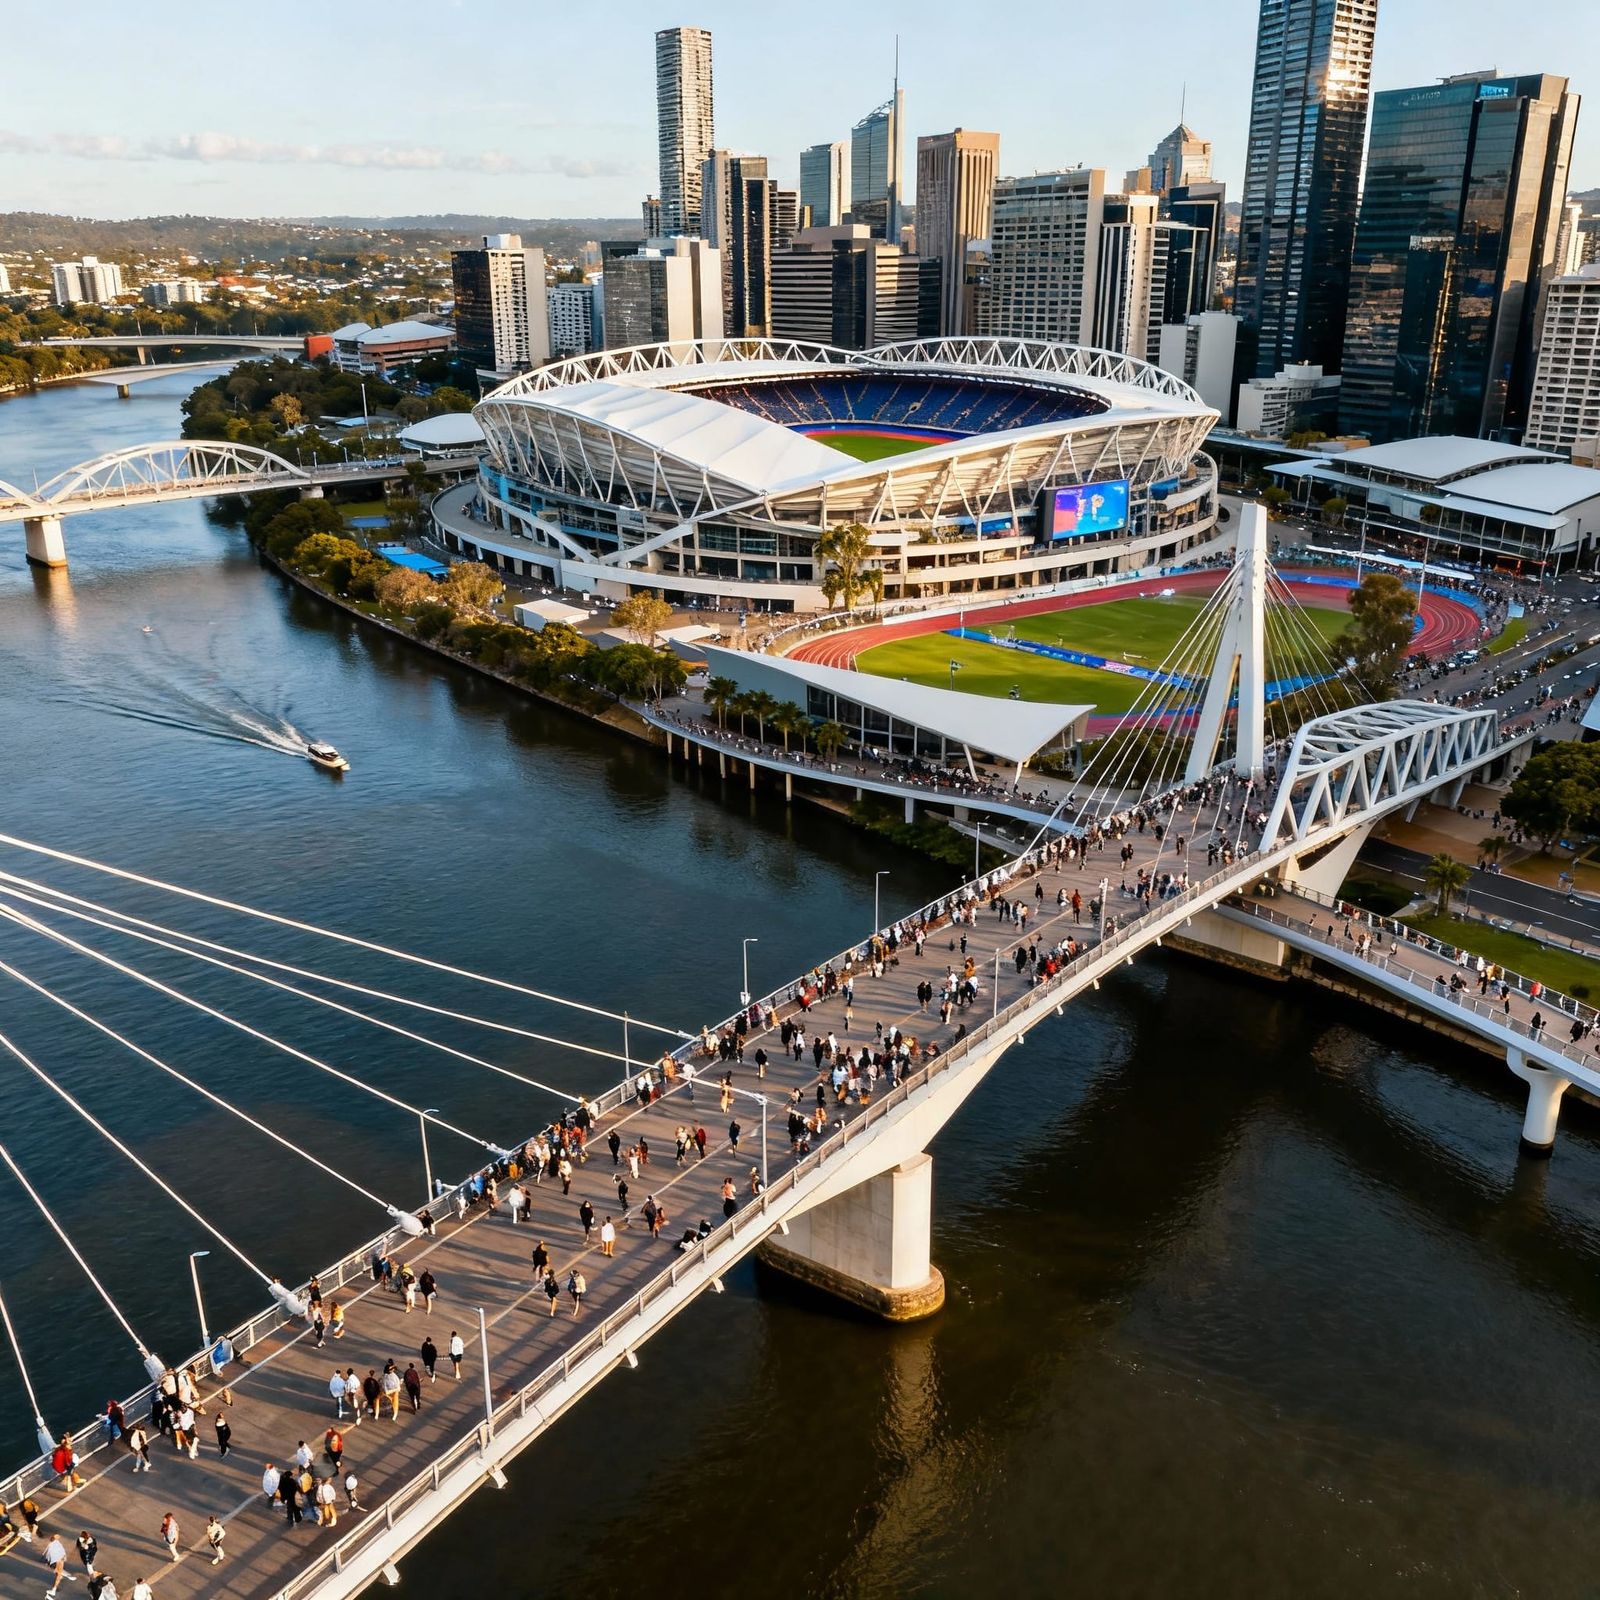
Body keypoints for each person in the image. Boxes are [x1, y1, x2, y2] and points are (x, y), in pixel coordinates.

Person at [44, 1532, 70, 1596]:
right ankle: (54, 1589)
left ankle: (54, 1589)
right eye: (57, 1537)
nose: (59, 1537)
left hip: (58, 1560)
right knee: (59, 1574)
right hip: (59, 1560)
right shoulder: (55, 1545)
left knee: (58, 1574)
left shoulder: (54, 1544)